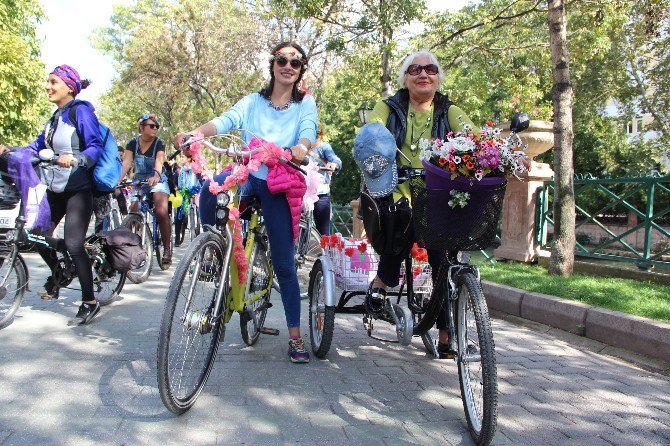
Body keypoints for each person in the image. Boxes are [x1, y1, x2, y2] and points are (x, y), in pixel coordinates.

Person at [174, 41, 317, 363]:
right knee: (210, 193)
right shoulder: (253, 101)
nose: (288, 66)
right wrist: (195, 133)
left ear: (300, 70)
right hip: (247, 171)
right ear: (273, 64)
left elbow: (307, 131)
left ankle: (295, 337)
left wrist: (302, 147)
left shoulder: (305, 103)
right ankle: (215, 250)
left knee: (283, 263)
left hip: (278, 178)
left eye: (295, 63)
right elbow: (226, 120)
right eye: (282, 60)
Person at [355, 50, 479, 358]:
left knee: (442, 256)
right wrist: (377, 145)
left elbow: (473, 136)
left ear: (438, 78)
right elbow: (373, 132)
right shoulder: (389, 106)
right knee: (402, 220)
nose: (423, 74)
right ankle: (384, 282)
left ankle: (447, 333)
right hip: (395, 188)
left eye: (430, 69)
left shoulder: (449, 109)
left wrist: (488, 153)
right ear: (405, 78)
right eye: (415, 69)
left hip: (438, 193)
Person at [0, 65, 104, 325]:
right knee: (35, 233)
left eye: (53, 82)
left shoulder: (81, 112)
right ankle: (60, 270)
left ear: (69, 87)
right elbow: (35, 147)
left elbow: (95, 146)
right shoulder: (54, 119)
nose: (48, 86)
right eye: (48, 82)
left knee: (73, 244)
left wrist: (77, 158)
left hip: (79, 190)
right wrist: (9, 149)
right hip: (55, 188)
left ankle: (90, 301)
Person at [119, 113, 172, 267]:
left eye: (157, 126)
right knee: (133, 212)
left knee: (161, 210)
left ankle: (167, 249)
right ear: (141, 127)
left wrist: (156, 175)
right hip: (139, 180)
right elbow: (126, 163)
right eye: (151, 125)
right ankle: (131, 249)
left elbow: (159, 161)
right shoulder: (131, 143)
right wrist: (117, 180)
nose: (155, 128)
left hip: (156, 179)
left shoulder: (159, 143)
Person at [308, 123, 341, 235]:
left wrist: (334, 164)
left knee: (324, 232)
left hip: (320, 193)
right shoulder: (297, 146)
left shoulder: (323, 146)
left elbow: (335, 159)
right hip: (302, 192)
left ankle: (325, 250)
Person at [174, 150, 200, 246]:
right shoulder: (182, 171)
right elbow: (180, 183)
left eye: (183, 157)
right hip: (184, 194)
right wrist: (181, 189)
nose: (181, 159)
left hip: (195, 194)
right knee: (179, 216)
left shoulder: (196, 169)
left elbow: (199, 181)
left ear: (189, 158)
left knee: (198, 213)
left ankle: (197, 235)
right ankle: (177, 237)